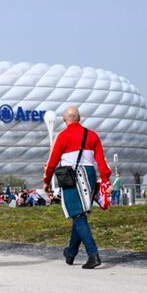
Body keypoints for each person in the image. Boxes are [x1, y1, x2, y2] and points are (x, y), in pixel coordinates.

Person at [43, 106, 111, 269]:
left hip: (71, 177)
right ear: (79, 118)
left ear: (65, 119)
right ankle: (71, 253)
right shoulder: (92, 135)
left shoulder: (62, 136)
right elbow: (101, 160)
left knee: (78, 215)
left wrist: (47, 181)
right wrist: (105, 179)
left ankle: (93, 254)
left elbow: (52, 161)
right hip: (89, 175)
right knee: (78, 214)